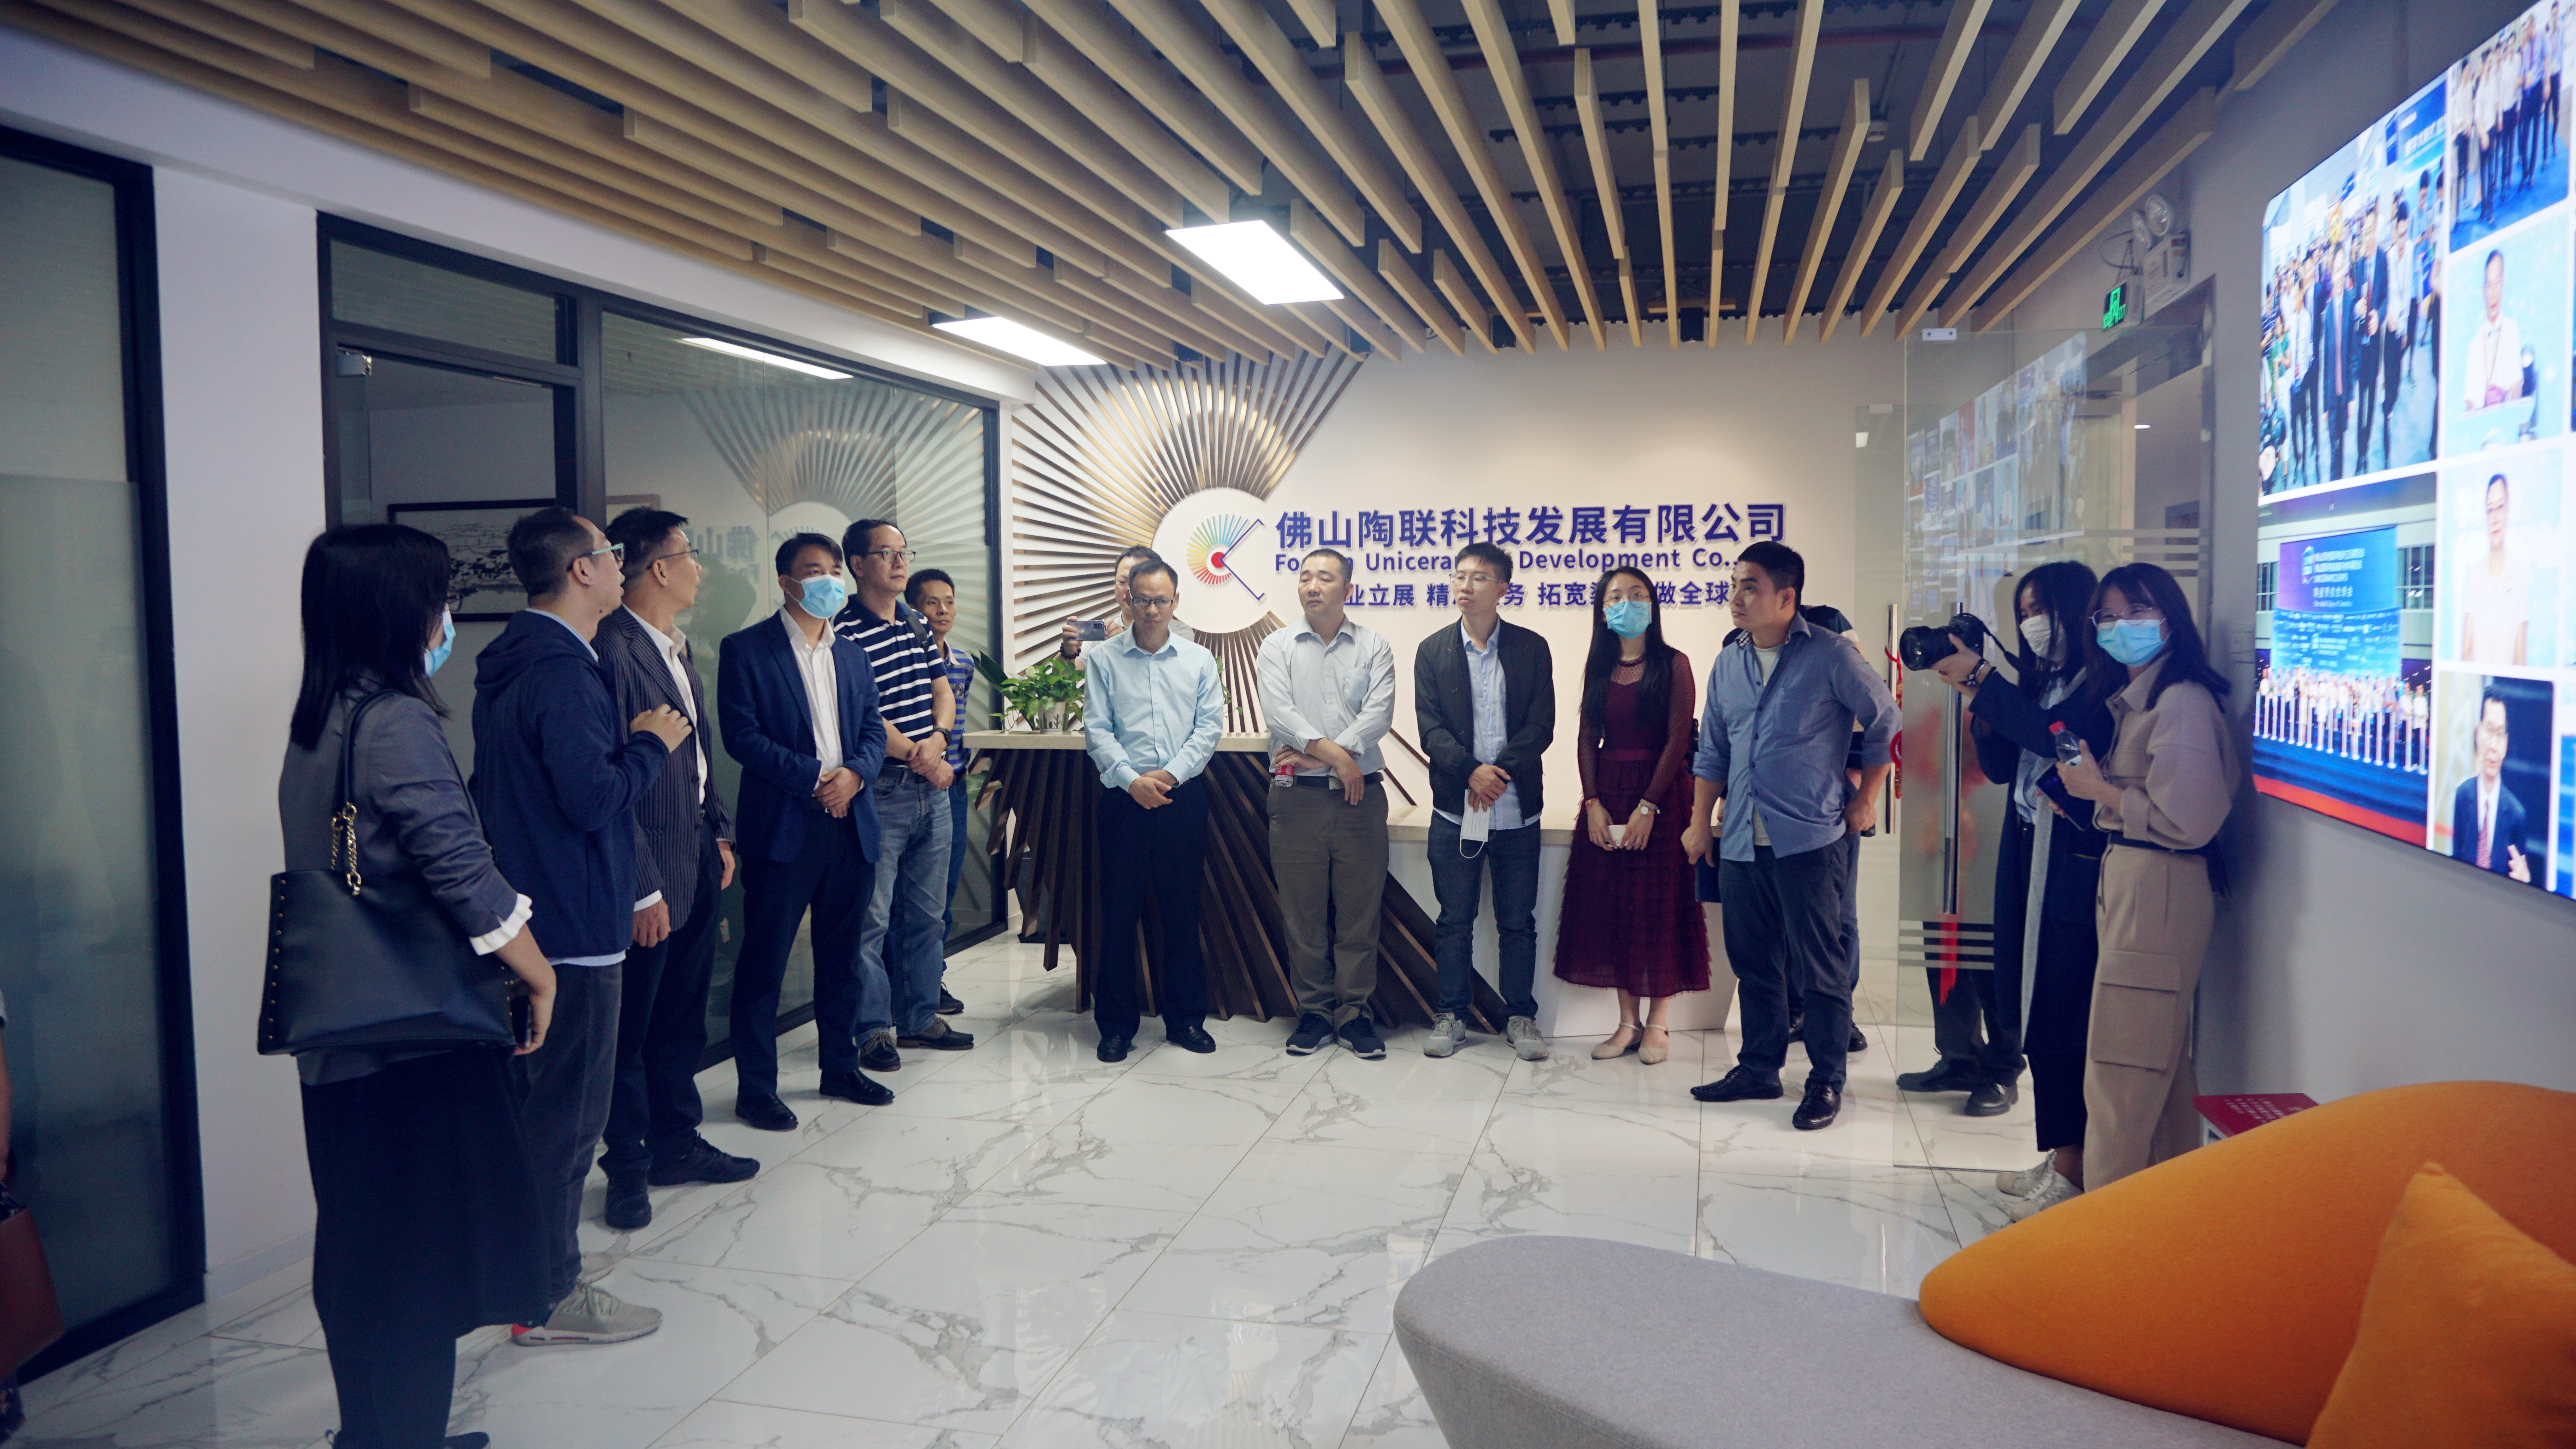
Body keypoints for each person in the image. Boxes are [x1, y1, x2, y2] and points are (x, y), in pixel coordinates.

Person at [282, 524, 557, 1444]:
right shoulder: (395, 720)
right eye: (440, 597)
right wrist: (536, 970)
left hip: (343, 1033)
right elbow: (457, 865)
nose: (447, 617)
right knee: (420, 1269)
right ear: (400, 608)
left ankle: (371, 1435)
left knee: (364, 1254)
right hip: (414, 1037)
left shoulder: (321, 716)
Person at [472, 507, 689, 1346]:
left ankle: (530, 1274)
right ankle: (549, 1292)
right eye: (609, 551)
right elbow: (593, 797)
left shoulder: (522, 657)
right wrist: (651, 744)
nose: (619, 561)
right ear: (581, 569)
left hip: (543, 910)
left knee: (547, 1113)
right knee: (567, 1121)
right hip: (574, 924)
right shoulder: (563, 670)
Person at [1922, 565, 2115, 1212]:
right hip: (2028, 849)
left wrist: (1986, 681)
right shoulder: (2044, 682)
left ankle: (2077, 1166)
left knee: (2062, 1013)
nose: (2034, 624)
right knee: (2030, 1001)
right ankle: (2061, 1154)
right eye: (2024, 613)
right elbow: (2005, 766)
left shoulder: (2100, 686)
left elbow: (2060, 742)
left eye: (2042, 611)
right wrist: (1980, 699)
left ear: (2075, 611)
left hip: (2071, 863)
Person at [1685, 541, 1896, 1131]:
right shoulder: (1729, 662)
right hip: (1740, 840)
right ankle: (1759, 1068)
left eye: (1750, 586)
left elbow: (1886, 719)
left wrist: (1867, 798)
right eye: (1734, 585)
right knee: (1755, 964)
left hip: (1810, 839)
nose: (1736, 597)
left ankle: (1826, 1079)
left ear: (1787, 596)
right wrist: (1700, 822)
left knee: (1820, 968)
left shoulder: (1830, 654)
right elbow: (1713, 749)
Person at [2054, 562, 2239, 1198]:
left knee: (2121, 1071)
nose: (2120, 627)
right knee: (2157, 1073)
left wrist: (2100, 790)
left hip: (2158, 883)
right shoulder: (2144, 702)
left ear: (2169, 618)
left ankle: (2105, 1231)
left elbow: (2186, 821)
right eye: (2107, 616)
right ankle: (2162, 1221)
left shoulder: (2181, 702)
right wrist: (2099, 789)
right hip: (2138, 879)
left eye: (2136, 612)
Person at [593, 508, 755, 1235]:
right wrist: (642, 888)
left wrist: (719, 831)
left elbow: (695, 760)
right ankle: (627, 1167)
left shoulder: (675, 648)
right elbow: (614, 786)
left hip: (694, 858)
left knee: (681, 1020)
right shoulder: (613, 650)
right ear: (658, 568)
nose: (700, 569)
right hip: (648, 876)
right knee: (633, 1029)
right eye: (690, 555)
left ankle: (676, 1143)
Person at [718, 533, 892, 1132]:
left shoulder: (852, 655)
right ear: (787, 583)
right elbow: (742, 736)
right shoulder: (747, 649)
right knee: (764, 963)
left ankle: (840, 1067)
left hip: (850, 823)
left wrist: (855, 776)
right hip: (785, 827)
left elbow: (873, 730)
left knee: (842, 960)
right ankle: (756, 1089)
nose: (829, 580)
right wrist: (817, 777)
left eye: (834, 569)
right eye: (815, 571)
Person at [1550, 567, 1704, 1063]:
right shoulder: (1599, 666)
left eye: (1637, 594)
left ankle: (1658, 1023)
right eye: (1616, 596)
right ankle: (1627, 1022)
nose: (1627, 603)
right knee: (1616, 908)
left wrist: (1649, 805)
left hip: (1662, 795)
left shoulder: (1674, 664)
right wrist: (1592, 801)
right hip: (1610, 793)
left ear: (1653, 604)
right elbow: (1586, 737)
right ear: (1602, 610)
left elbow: (1678, 739)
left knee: (1659, 908)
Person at [835, 520, 972, 1057]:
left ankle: (918, 1016)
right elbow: (861, 712)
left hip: (930, 789)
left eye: (903, 552)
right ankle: (873, 1027)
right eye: (886, 553)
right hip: (882, 790)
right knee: (872, 920)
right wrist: (920, 754)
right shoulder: (844, 629)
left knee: (927, 915)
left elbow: (943, 690)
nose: (899, 562)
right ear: (858, 564)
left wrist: (938, 739)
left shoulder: (914, 622)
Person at [1417, 543, 1557, 1062]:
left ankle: (1519, 1015)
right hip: (1456, 810)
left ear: (1503, 589)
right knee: (1454, 920)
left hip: (1517, 809)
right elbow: (1430, 729)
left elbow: (1541, 723)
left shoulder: (1531, 648)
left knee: (1517, 922)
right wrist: (1470, 772)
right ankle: (1451, 1014)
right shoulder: (1433, 650)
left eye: (1478, 577)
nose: (1465, 585)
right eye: (1459, 576)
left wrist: (1498, 774)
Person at [1081, 557, 1225, 1061]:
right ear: (1128, 599)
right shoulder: (1103, 659)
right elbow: (1097, 730)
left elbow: (1208, 728)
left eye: (1161, 600)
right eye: (1142, 599)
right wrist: (1131, 780)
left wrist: (1170, 776)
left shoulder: (1198, 660)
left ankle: (1185, 1020)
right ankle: (1116, 1026)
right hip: (1123, 801)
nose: (1151, 610)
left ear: (1176, 602)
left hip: (1181, 799)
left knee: (1181, 912)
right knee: (1118, 915)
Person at [1257, 547, 1398, 1058]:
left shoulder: (1374, 646)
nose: (1312, 586)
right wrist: (1339, 758)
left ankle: (1355, 1015)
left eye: (1324, 578)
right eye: (1305, 578)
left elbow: (1379, 714)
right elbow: (1279, 713)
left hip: (1361, 799)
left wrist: (1328, 756)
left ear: (1348, 589)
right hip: (1297, 799)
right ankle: (1314, 1013)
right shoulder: (1277, 646)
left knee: (1360, 916)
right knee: (1304, 916)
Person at [901, 567, 979, 974]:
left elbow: (957, 722)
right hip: (912, 781)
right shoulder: (906, 661)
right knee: (910, 896)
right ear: (914, 609)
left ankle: (933, 979)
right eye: (932, 603)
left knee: (944, 889)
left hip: (955, 786)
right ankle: (908, 982)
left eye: (949, 602)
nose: (943, 610)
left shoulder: (963, 663)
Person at [2450, 689, 2533, 882]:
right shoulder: (2462, 796)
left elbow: (2518, 882)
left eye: (2500, 734)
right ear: (2478, 733)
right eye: (2489, 730)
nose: (2494, 746)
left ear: (2506, 742)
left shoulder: (2516, 815)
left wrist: (2525, 883)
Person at [1060, 544, 1194, 661]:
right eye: (1123, 581)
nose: (1129, 589)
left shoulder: (1178, 633)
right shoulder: (1104, 632)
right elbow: (1069, 677)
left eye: (1139, 582)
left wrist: (1121, 645)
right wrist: (1068, 652)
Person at [2460, 472, 2529, 665]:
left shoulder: (2519, 574)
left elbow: (2521, 659)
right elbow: (2465, 653)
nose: (2495, 517)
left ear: (2509, 512)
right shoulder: (2475, 574)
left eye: (2501, 507)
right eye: (2490, 509)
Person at [2462, 249, 2524, 414]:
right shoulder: (2475, 344)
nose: (2493, 293)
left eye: (2497, 284)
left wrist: (2507, 414)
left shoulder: (2511, 329)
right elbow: (2470, 400)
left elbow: (2516, 384)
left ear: (2503, 284)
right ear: (2484, 290)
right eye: (2490, 286)